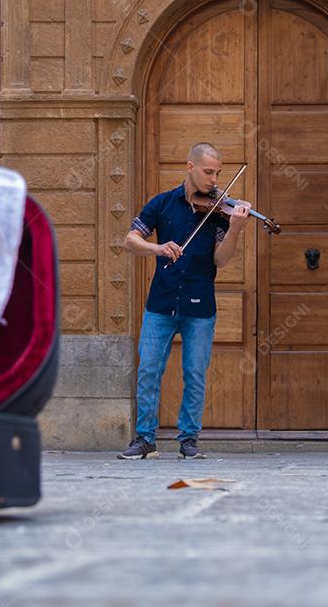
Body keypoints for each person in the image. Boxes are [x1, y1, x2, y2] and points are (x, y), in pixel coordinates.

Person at [117, 142, 250, 460]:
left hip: (200, 305)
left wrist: (235, 230)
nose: (214, 180)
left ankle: (188, 439)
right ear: (190, 167)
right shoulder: (162, 204)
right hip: (160, 304)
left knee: (194, 373)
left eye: (218, 173)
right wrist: (158, 248)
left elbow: (221, 259)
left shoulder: (220, 213)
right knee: (149, 369)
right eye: (208, 172)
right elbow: (131, 240)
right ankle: (145, 438)